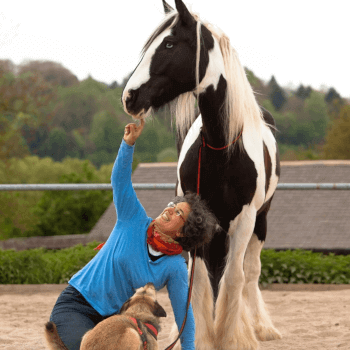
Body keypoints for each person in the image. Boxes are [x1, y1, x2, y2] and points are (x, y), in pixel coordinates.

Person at [48, 119, 218, 350]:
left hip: (117, 318)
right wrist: (128, 144)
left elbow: (183, 313)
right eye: (173, 204)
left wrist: (189, 348)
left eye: (178, 212)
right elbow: (120, 180)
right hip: (77, 304)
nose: (169, 208)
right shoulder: (133, 219)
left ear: (182, 232)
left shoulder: (174, 266)